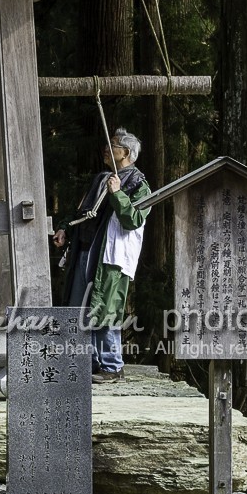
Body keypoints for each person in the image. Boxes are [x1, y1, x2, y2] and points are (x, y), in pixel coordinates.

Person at [51, 127, 151, 378]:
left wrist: (117, 193)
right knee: (78, 307)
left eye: (112, 145)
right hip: (84, 251)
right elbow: (80, 211)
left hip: (111, 259)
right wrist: (64, 228)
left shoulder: (139, 184)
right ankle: (87, 362)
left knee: (105, 309)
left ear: (125, 152)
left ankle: (112, 365)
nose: (106, 148)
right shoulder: (101, 179)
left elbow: (134, 219)